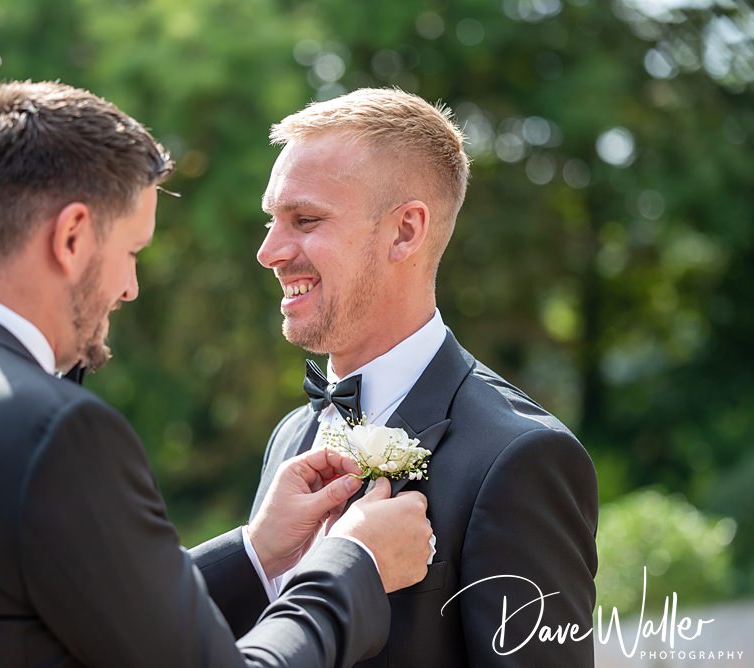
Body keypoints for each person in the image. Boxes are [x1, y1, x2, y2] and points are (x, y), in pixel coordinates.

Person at [0, 81, 436, 668]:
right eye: (130, 252)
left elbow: (43, 621)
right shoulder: (52, 431)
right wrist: (352, 567)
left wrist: (255, 552)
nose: (130, 288)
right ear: (73, 236)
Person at [242, 88, 599, 666]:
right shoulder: (292, 437)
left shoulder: (520, 458)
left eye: (305, 219)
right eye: (271, 220)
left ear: (405, 231)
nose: (269, 251)